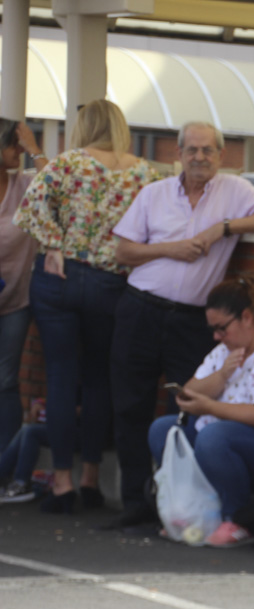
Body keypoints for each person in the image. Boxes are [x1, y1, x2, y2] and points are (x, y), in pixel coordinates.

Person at [108, 121, 254, 531]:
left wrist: (221, 229)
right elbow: (122, 251)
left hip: (192, 321)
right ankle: (134, 503)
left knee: (186, 411)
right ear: (179, 154)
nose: (199, 158)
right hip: (140, 311)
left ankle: (179, 504)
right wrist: (171, 249)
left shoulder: (235, 191)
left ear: (221, 156)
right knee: (131, 407)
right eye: (192, 150)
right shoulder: (153, 194)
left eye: (208, 150)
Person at [15, 100, 161, 514]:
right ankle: (92, 480)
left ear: (85, 126)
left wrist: (56, 245)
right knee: (100, 380)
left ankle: (61, 484)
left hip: (59, 279)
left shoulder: (67, 163)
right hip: (112, 283)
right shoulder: (145, 173)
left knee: (61, 379)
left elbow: (30, 210)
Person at [147, 275, 254, 547]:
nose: (217, 336)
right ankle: (194, 510)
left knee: (215, 437)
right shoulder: (226, 350)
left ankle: (238, 519)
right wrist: (221, 377)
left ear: (247, 317)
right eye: (213, 330)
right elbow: (190, 391)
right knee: (164, 430)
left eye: (221, 328)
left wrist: (210, 407)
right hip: (234, 439)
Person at [0, 119, 47, 455]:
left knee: (6, 381)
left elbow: (59, 188)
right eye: (12, 144)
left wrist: (34, 149)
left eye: (20, 144)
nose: (18, 151)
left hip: (15, 300)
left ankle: (5, 463)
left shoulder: (25, 185)